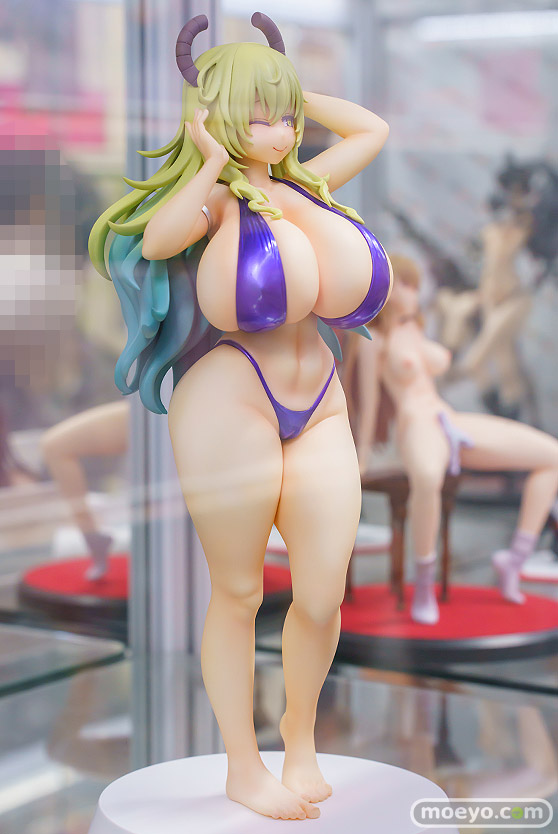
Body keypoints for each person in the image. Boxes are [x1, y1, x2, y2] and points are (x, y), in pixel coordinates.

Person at [88, 13, 392, 821]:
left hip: (319, 399)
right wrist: (214, 157)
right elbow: (158, 241)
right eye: (259, 116)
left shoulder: (308, 183)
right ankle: (242, 764)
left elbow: (372, 129)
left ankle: (299, 737)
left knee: (322, 593)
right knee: (238, 590)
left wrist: (283, 90)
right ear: (217, 117)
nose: (281, 131)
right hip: (231, 396)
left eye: (284, 116)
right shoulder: (219, 202)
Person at [351, 254, 558, 626]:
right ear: (384, 287)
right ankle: (424, 584)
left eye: (415, 285)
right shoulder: (373, 340)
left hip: (449, 419)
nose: (413, 292)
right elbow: (367, 403)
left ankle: (514, 560)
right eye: (404, 284)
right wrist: (361, 457)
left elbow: (453, 360)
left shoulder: (415, 329)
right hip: (416, 424)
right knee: (427, 478)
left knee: (551, 455)